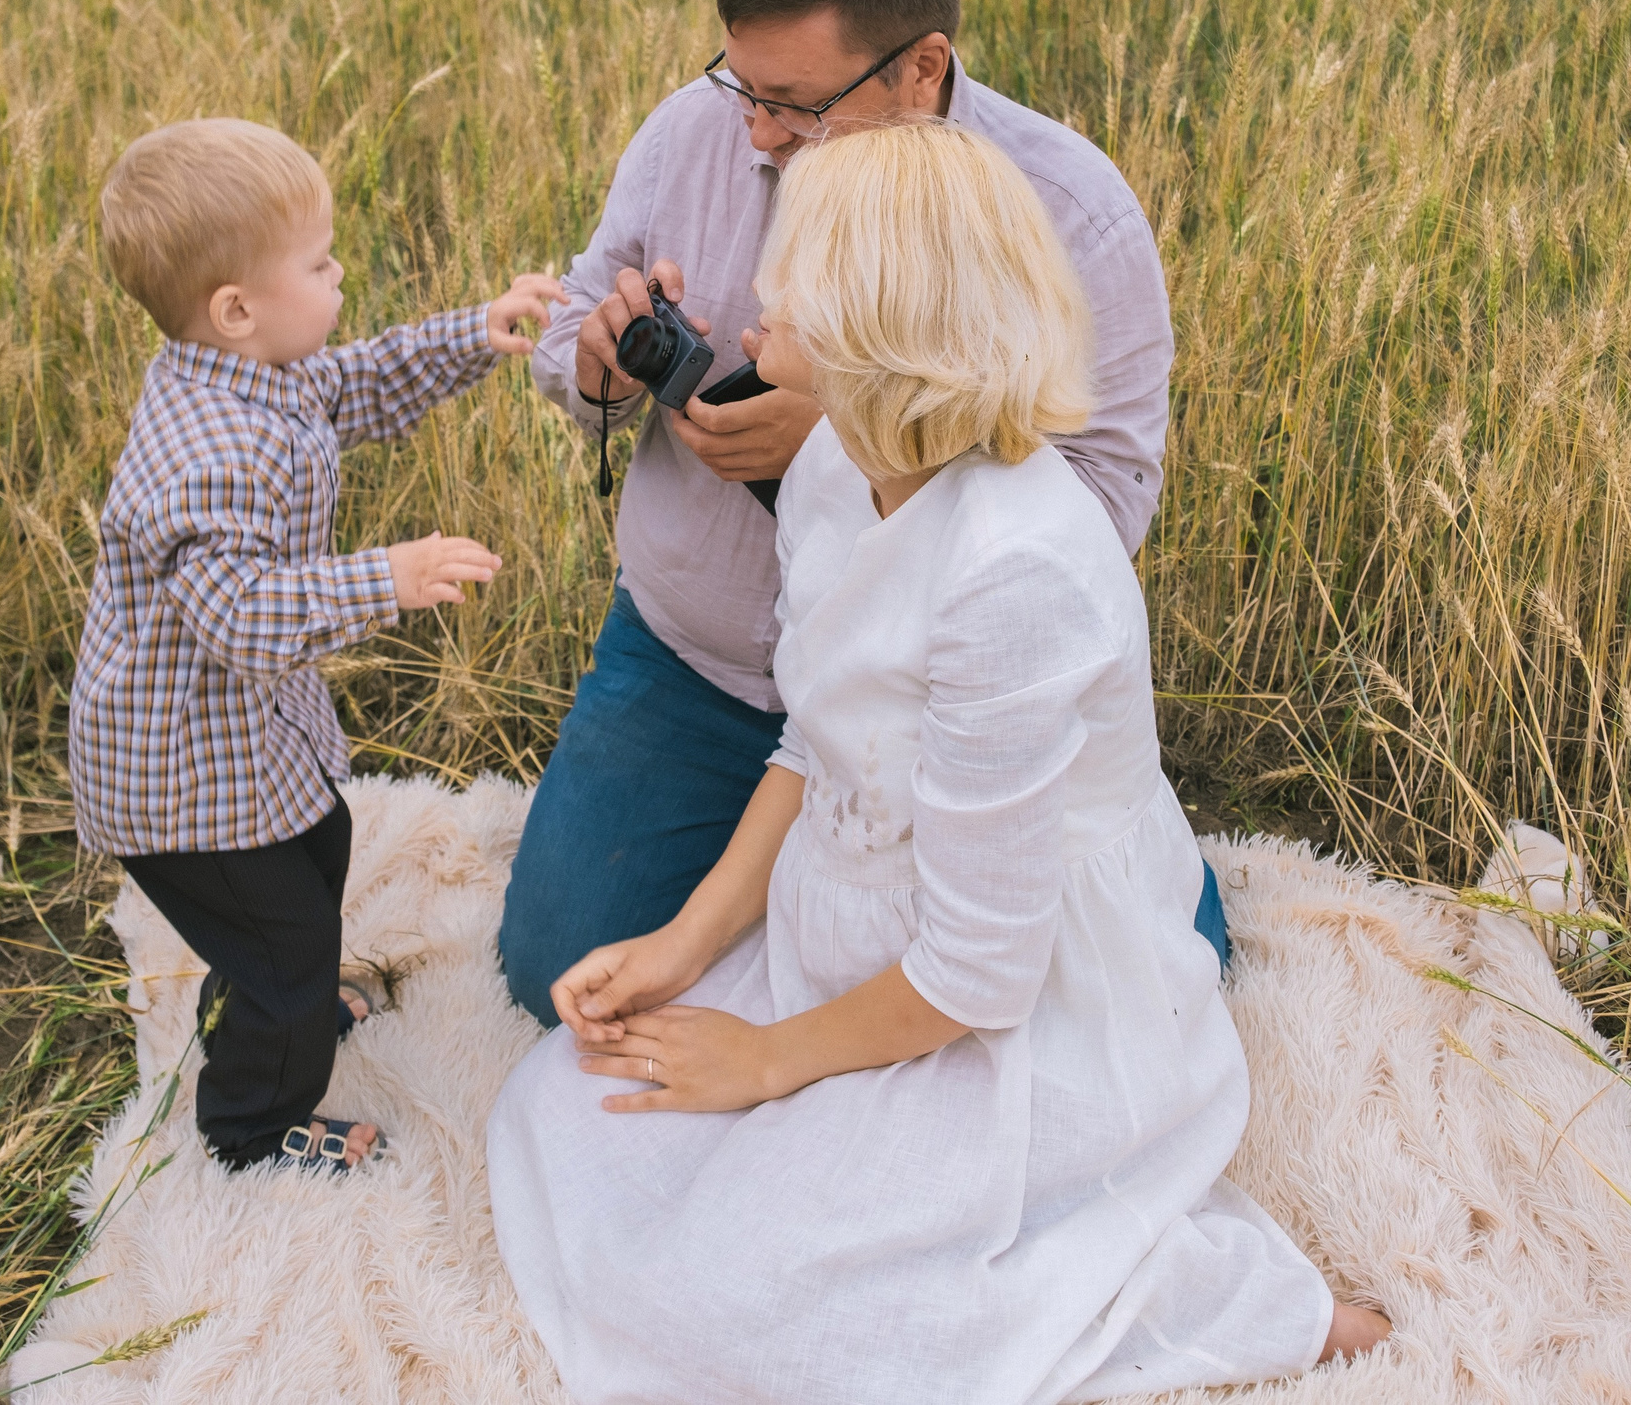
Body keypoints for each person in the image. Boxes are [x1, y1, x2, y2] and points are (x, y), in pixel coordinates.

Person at [488, 123, 1389, 1403]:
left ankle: (1208, 1294)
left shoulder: (1014, 570)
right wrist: (688, 944)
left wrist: (766, 1059)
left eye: (793, 289)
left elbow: (979, 971)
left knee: (737, 1318)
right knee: (561, 1119)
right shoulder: (836, 470)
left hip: (1014, 997)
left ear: (875, 335)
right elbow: (817, 736)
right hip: (862, 913)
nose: (756, 320)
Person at [502, 0, 1225, 1025]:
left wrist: (854, 448)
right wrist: (590, 363)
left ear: (920, 69)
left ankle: (1062, 815)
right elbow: (568, 321)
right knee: (556, 972)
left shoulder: (1071, 214)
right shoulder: (691, 131)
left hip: (943, 694)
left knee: (1150, 989)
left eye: (792, 102)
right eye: (739, 86)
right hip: (695, 666)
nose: (753, 129)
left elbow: (1105, 507)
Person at [68, 117, 563, 1170]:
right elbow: (243, 619)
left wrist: (476, 332)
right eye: (321, 260)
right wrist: (392, 575)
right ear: (236, 308)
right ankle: (252, 1121)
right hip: (176, 778)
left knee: (319, 850)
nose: (343, 274)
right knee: (286, 938)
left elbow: (362, 380)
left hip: (239, 743)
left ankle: (257, 990)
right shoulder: (204, 455)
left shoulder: (261, 372)